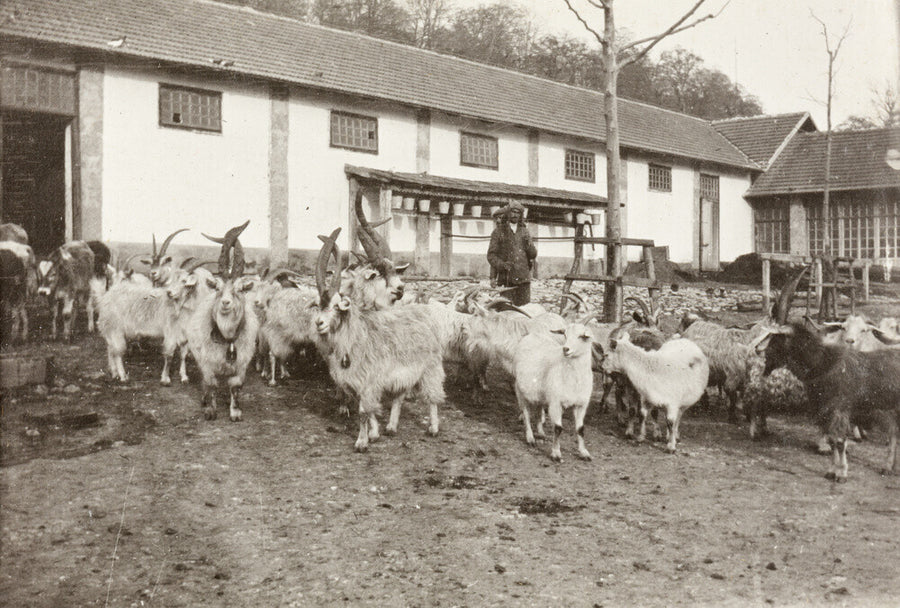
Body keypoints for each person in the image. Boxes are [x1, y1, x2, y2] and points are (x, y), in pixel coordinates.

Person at [487, 201, 537, 305]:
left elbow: (532, 255)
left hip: (523, 279)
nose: (515, 215)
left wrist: (529, 244)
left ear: (521, 215)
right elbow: (491, 255)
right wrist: (502, 265)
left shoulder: (525, 232)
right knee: (507, 310)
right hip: (507, 278)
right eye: (513, 212)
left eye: (518, 213)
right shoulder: (499, 231)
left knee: (524, 310)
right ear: (508, 213)